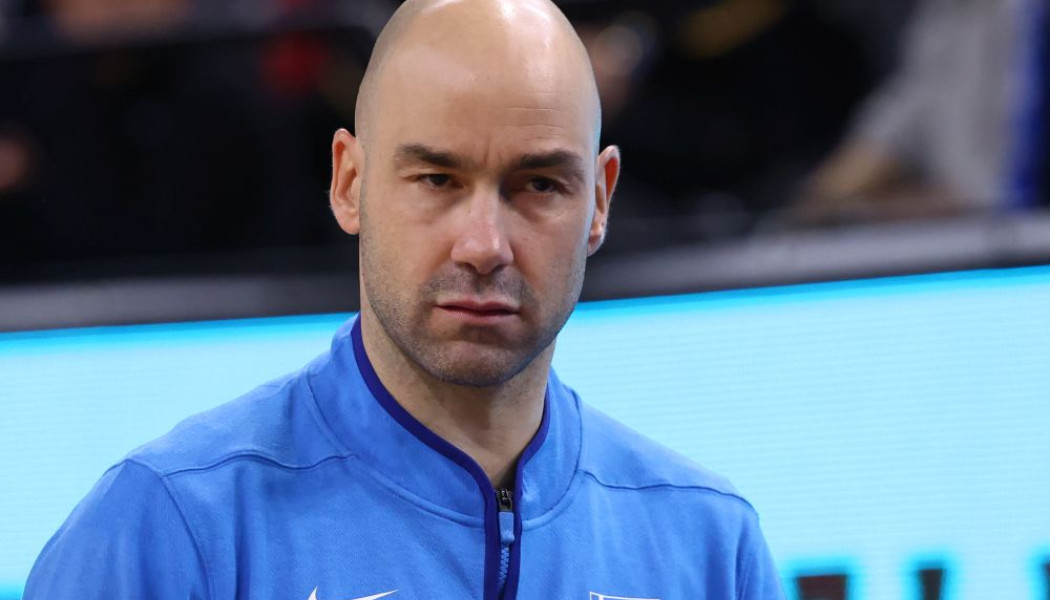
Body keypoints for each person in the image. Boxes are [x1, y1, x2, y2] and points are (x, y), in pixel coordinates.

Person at [24, 0, 785, 598]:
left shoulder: (711, 548)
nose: (484, 245)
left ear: (600, 201)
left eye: (539, 185)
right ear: (349, 183)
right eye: (437, 179)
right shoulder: (163, 530)